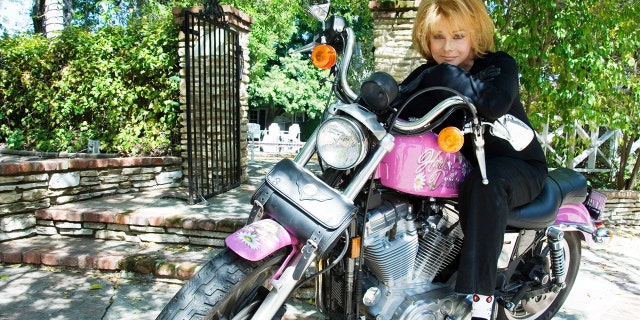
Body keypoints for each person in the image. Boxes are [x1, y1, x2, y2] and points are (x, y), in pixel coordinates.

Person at [395, 0, 549, 319]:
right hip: (467, 165)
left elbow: (493, 103)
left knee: (484, 182)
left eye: (458, 36)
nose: (447, 47)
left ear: (475, 33)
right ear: (425, 37)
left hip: (516, 165)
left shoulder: (499, 64)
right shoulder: (429, 73)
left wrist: (443, 76)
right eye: (438, 37)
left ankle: (481, 302)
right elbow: (396, 104)